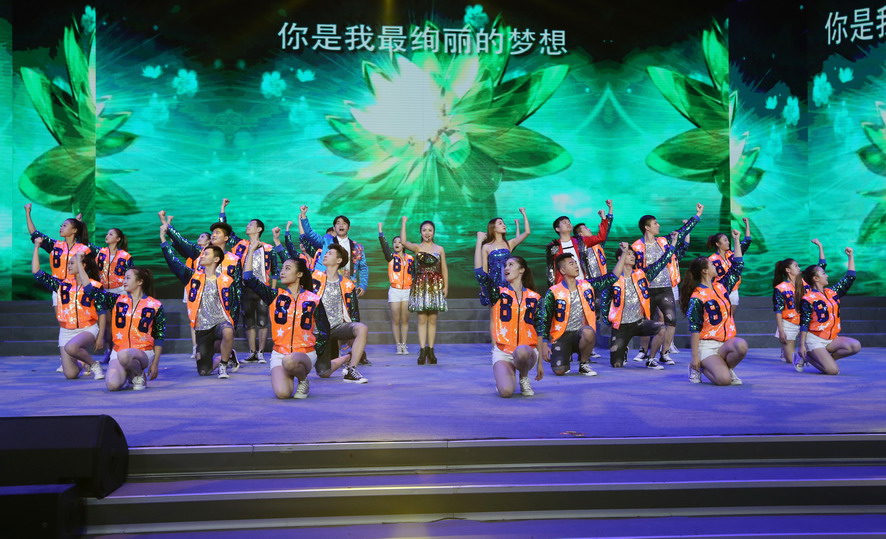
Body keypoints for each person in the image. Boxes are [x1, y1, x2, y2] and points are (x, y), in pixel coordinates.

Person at [243, 241, 330, 399]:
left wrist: (315, 351)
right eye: (282, 268)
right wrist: (251, 250)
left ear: (299, 274)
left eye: (288, 268)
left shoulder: (313, 299)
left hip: (304, 354)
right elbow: (248, 279)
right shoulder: (274, 296)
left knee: (290, 360)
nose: (282, 272)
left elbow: (325, 330)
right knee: (283, 393)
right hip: (280, 353)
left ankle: (303, 380)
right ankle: (291, 376)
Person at [159, 208, 243, 369]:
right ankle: (224, 355)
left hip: (223, 311)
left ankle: (225, 358)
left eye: (218, 233)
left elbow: (237, 289)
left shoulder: (234, 260)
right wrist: (167, 227)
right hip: (203, 312)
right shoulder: (201, 253)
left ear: (226, 238)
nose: (213, 235)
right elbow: (181, 242)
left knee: (225, 334)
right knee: (204, 369)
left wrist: (234, 316)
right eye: (213, 233)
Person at [75, 258, 165, 391]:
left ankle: (138, 374)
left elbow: (159, 337)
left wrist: (155, 364)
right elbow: (90, 290)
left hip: (143, 352)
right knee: (112, 385)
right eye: (124, 278)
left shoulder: (155, 305)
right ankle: (129, 374)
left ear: (140, 282)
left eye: (128, 278)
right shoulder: (117, 300)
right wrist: (79, 262)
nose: (124, 281)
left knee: (125, 355)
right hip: (118, 351)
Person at [631, 203, 703, 366]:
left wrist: (697, 215)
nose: (658, 225)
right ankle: (643, 350)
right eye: (655, 223)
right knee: (646, 320)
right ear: (647, 227)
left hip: (665, 288)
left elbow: (683, 231)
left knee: (671, 319)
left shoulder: (663, 241)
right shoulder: (636, 247)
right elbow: (633, 269)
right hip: (647, 289)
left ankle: (664, 352)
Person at [300, 205, 370, 365]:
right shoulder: (327, 241)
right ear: (334, 227)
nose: (341, 225)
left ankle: (357, 355)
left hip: (347, 287)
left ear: (348, 227)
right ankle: (331, 356)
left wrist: (363, 284)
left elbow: (363, 267)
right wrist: (303, 216)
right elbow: (310, 234)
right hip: (327, 286)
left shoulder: (357, 247)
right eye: (337, 223)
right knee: (328, 320)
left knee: (352, 319)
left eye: (344, 223)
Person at [475, 233, 543, 397]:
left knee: (521, 351)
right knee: (506, 392)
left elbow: (540, 330)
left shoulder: (534, 297)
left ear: (521, 270)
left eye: (511, 265)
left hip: (527, 351)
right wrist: (479, 243)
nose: (506, 268)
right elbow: (480, 274)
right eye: (505, 265)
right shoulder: (498, 293)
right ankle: (505, 378)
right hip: (503, 351)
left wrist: (540, 363)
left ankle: (524, 377)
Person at [536, 251, 622, 377]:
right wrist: (544, 343)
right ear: (563, 270)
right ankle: (565, 355)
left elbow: (612, 277)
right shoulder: (554, 291)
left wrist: (623, 254)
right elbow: (545, 319)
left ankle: (583, 363)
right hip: (561, 336)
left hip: (580, 334)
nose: (576, 266)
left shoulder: (587, 285)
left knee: (588, 332)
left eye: (575, 263)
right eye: (571, 264)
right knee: (559, 371)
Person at [31, 238, 105, 380]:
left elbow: (102, 313)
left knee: (72, 347)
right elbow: (37, 272)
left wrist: (100, 336)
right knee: (71, 374)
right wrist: (36, 247)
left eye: (71, 263)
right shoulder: (61, 284)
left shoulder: (95, 286)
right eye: (69, 262)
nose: (68, 265)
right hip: (66, 331)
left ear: (82, 265)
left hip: (87, 329)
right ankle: (81, 363)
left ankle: (94, 364)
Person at [601, 237, 679, 369]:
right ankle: (623, 349)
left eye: (633, 254)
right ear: (620, 257)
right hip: (621, 326)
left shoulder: (641, 274)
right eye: (628, 254)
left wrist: (673, 244)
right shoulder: (612, 279)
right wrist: (608, 321)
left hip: (639, 322)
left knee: (662, 328)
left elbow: (662, 262)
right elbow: (605, 301)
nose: (633, 256)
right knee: (616, 364)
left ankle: (651, 359)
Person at [681, 228, 747, 386]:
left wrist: (736, 240)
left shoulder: (721, 286)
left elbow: (737, 266)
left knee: (741, 345)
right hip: (707, 345)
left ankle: (726, 368)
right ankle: (699, 368)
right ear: (705, 271)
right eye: (711, 265)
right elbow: (695, 329)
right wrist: (695, 357)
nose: (715, 265)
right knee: (723, 381)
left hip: (725, 343)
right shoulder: (697, 296)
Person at [219, 199, 279, 364]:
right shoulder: (240, 245)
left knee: (262, 321)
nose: (247, 226)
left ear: (259, 229)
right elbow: (225, 229)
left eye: (251, 225)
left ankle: (261, 352)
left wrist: (272, 291)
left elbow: (275, 271)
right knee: (249, 322)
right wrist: (222, 209)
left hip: (262, 289)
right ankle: (252, 352)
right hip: (245, 288)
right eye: (247, 224)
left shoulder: (268, 248)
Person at [310, 244, 370, 383]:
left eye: (330, 253)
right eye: (326, 253)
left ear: (338, 260)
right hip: (319, 331)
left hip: (337, 328)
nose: (326, 255)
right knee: (324, 372)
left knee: (361, 328)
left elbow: (354, 313)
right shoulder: (314, 277)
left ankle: (351, 369)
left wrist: (351, 336)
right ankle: (348, 357)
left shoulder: (348, 284)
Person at [796, 247, 861, 375]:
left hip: (831, 339)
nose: (827, 275)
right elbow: (804, 323)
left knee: (855, 346)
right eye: (824, 273)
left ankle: (825, 359)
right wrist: (802, 345)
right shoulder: (808, 298)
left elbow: (850, 277)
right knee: (832, 371)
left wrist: (850, 256)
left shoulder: (833, 292)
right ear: (815, 278)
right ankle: (807, 356)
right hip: (814, 339)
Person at [400, 216, 448, 365]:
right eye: (424, 230)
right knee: (421, 318)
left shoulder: (439, 249)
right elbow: (403, 242)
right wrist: (404, 222)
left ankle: (431, 350)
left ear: (434, 232)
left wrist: (446, 286)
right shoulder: (417, 248)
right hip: (421, 285)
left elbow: (444, 269)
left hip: (435, 285)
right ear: (421, 232)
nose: (427, 233)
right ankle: (422, 351)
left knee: (433, 318)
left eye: (430, 230)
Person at [772, 239, 827, 364]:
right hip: (789, 323)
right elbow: (778, 310)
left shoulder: (805, 282)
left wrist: (820, 247)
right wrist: (781, 330)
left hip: (806, 321)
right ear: (788, 270)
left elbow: (821, 267)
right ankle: (786, 350)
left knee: (811, 352)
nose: (799, 268)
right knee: (790, 360)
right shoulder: (780, 288)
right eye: (796, 266)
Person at [544, 210, 611, 287]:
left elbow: (601, 237)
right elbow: (551, 270)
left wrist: (603, 219)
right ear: (558, 229)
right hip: (564, 286)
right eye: (564, 222)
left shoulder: (580, 241)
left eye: (569, 222)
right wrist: (553, 287)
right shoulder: (553, 247)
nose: (568, 224)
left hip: (583, 283)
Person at [95, 228, 133, 363]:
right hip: (104, 291)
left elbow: (131, 275)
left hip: (120, 291)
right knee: (107, 323)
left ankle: (120, 350)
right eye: (107, 233)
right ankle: (109, 350)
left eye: (111, 234)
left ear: (118, 239)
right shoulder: (100, 252)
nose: (107, 236)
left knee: (119, 322)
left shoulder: (125, 256)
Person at [479, 208, 531, 306]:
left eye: (504, 223)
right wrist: (483, 288)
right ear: (493, 228)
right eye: (500, 223)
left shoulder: (509, 244)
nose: (504, 225)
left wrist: (524, 214)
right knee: (495, 310)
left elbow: (527, 232)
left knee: (510, 308)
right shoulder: (486, 246)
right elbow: (484, 269)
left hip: (509, 280)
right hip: (493, 282)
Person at [378, 222, 414, 355]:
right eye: (395, 242)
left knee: (405, 319)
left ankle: (404, 344)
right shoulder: (391, 257)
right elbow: (384, 247)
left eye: (399, 242)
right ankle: (398, 345)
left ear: (404, 244)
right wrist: (380, 231)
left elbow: (414, 274)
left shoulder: (411, 258)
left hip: (407, 290)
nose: (397, 244)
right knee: (396, 319)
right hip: (395, 290)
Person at [707, 217, 752, 310]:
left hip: (734, 290)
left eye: (728, 240)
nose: (728, 242)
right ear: (718, 244)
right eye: (725, 240)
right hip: (720, 291)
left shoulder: (732, 255)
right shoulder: (711, 260)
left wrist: (747, 224)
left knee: (731, 316)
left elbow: (747, 241)